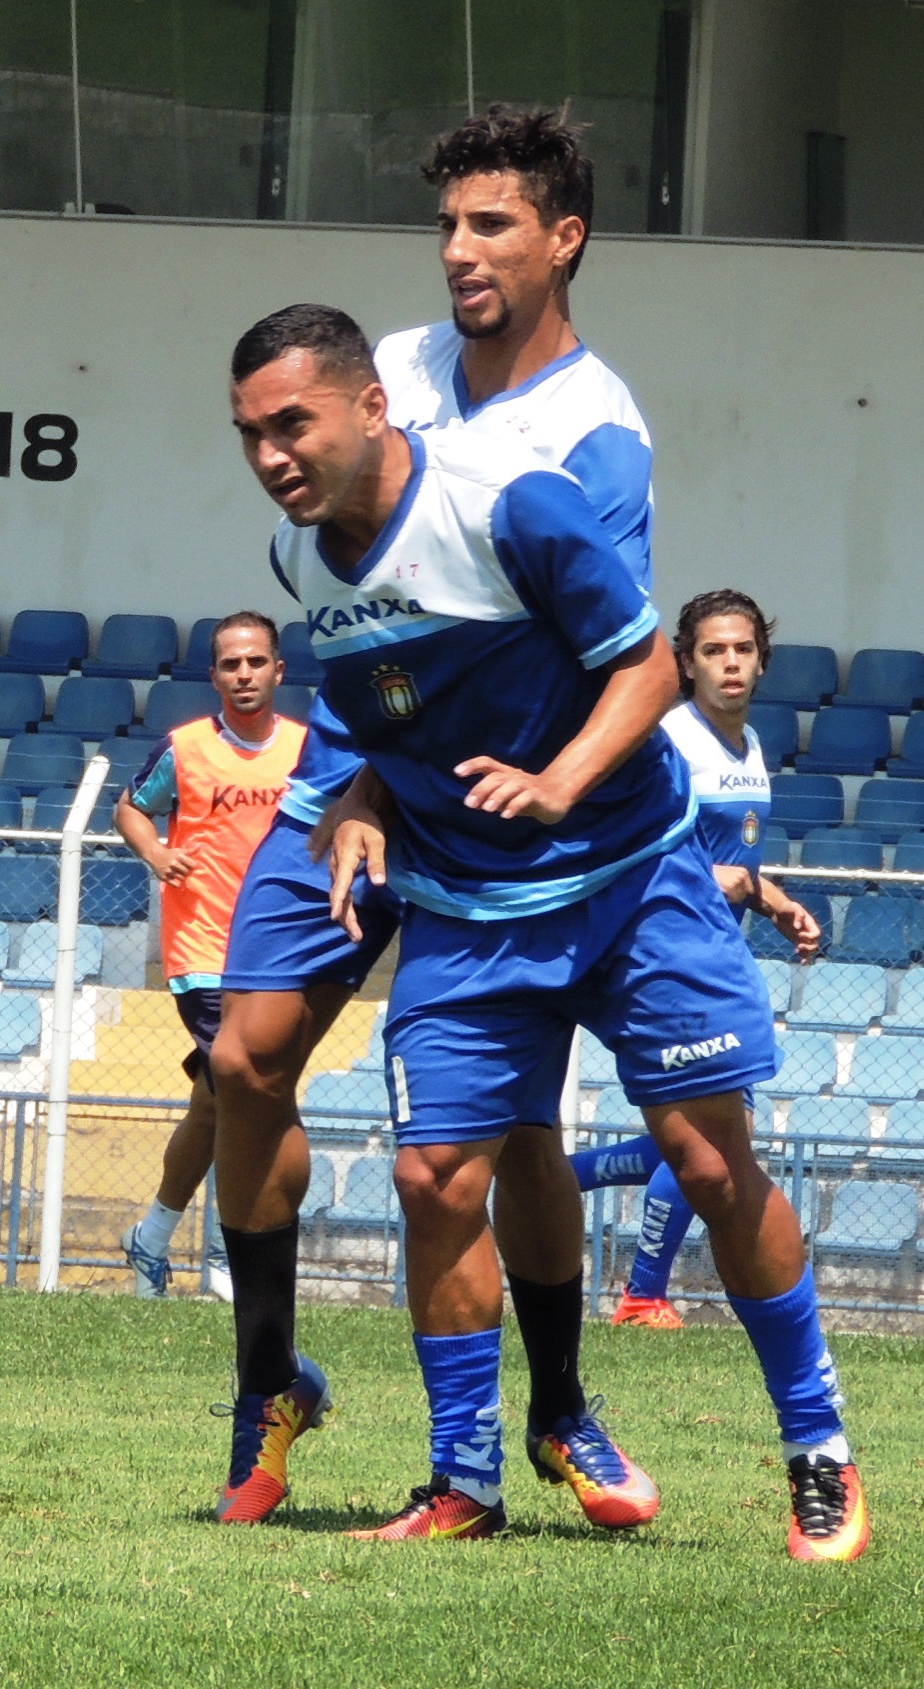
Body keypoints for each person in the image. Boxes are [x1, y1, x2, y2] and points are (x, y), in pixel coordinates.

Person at [231, 302, 865, 1562]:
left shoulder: (510, 501)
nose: (271, 456)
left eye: (293, 424)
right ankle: (463, 1480)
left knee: (709, 1165)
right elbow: (386, 709)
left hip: (628, 878)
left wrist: (561, 782)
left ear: (372, 407)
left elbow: (647, 669)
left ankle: (820, 1454)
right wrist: (359, 798)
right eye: (248, 434)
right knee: (431, 1178)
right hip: (467, 908)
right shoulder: (303, 564)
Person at [206, 105, 656, 1530]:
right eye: (447, 224)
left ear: (560, 240)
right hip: (353, 781)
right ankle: (268, 1378)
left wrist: (525, 790)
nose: (457, 252)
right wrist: (344, 783)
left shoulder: (594, 433)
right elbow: (342, 596)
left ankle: (559, 1413)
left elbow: (592, 645)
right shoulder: (382, 368)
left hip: (487, 813)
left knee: (507, 1129)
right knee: (242, 1054)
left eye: (490, 225)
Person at [572, 590, 822, 1328]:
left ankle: (561, 1180)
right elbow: (641, 855)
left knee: (695, 1142)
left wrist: (773, 897)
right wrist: (749, 886)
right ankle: (643, 1293)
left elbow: (729, 856)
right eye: (714, 650)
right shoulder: (670, 740)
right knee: (718, 1140)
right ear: (685, 663)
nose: (731, 662)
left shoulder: (748, 749)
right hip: (667, 954)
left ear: (763, 660)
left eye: (743, 648)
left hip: (716, 956)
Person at [116, 613, 306, 1303]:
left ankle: (153, 1236)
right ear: (215, 674)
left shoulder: (306, 752)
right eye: (231, 664)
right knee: (252, 1093)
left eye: (257, 661)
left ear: (279, 670)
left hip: (276, 954)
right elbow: (132, 808)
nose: (245, 674)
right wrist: (159, 852)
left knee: (216, 1104)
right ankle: (235, 1251)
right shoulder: (187, 748)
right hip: (202, 953)